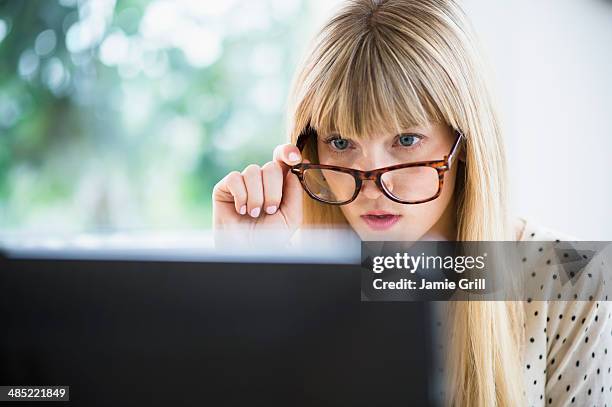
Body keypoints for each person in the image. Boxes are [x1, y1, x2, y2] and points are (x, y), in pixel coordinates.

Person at [212, 0, 611, 405]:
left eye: (405, 140)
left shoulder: (572, 281)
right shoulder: (299, 285)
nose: (373, 186)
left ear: (466, 142)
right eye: (340, 142)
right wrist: (247, 277)